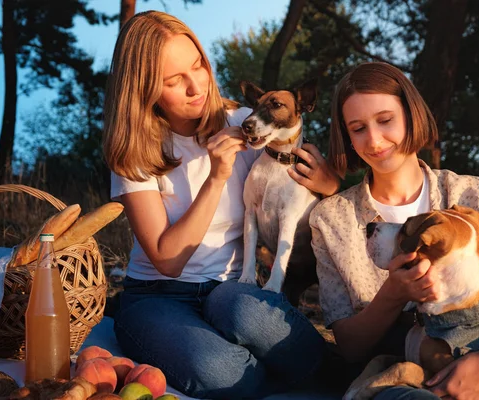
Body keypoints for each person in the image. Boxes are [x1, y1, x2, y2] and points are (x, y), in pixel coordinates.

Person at [102, 11, 340, 399]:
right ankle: (271, 371)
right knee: (220, 371)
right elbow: (168, 259)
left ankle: (303, 366)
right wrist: (216, 176)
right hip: (158, 296)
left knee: (246, 314)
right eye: (174, 80)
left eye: (198, 65)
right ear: (144, 88)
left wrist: (329, 183)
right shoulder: (135, 152)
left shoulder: (247, 123)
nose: (197, 85)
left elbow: (305, 176)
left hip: (229, 293)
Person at [310, 62, 479, 400]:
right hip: (398, 368)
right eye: (357, 128)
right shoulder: (330, 219)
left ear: (411, 115)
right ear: (347, 137)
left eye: (385, 120)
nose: (374, 139)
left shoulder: (470, 196)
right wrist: (394, 294)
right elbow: (351, 347)